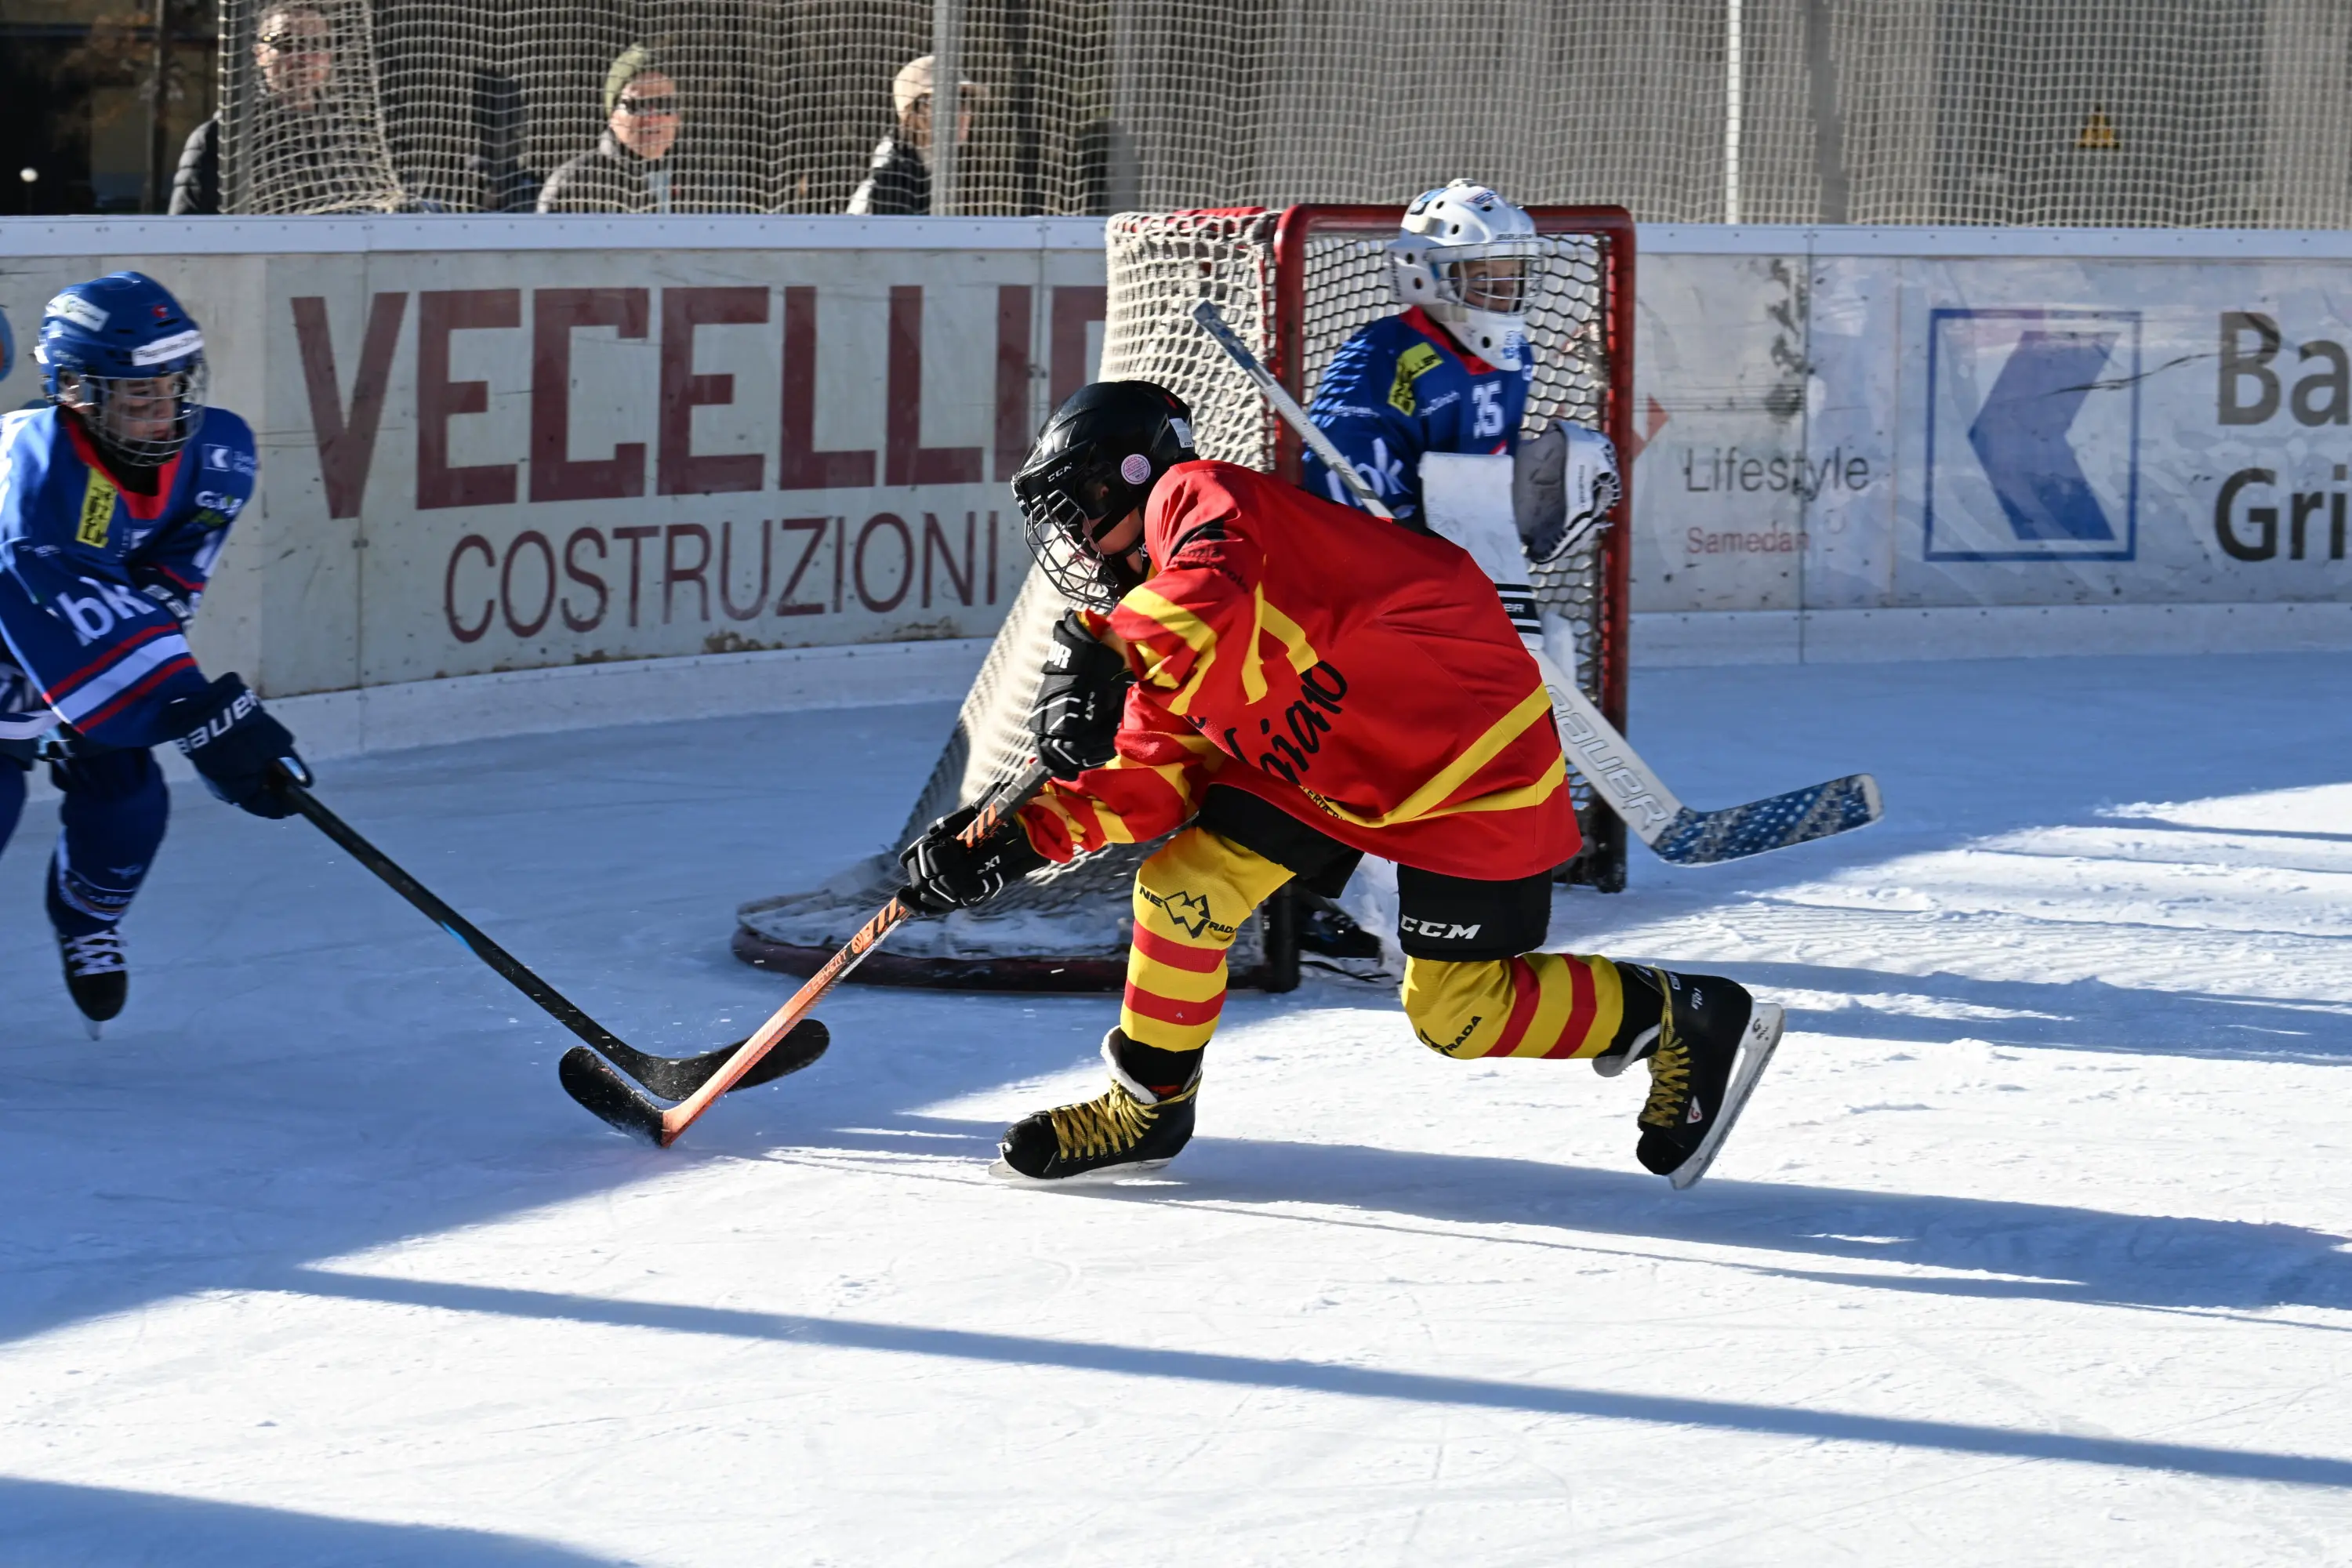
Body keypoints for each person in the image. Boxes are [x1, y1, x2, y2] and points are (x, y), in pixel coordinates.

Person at [898, 381, 1781, 1185]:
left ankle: (1684, 1013)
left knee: (1457, 1015)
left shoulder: (1207, 501)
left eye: (1080, 504)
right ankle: (1148, 1107)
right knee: (1182, 886)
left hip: (1468, 768)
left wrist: (1113, 647)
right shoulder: (1155, 618)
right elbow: (1148, 779)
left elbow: (1213, 577)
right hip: (1327, 770)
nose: (1074, 536)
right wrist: (1011, 838)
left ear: (1131, 474)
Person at [1296, 180, 1626, 968]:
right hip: (1377, 585)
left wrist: (1542, 492)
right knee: (1412, 723)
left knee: (1551, 649)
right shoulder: (1388, 353)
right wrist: (1393, 547)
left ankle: (1491, 862)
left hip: (1455, 571)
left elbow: (1481, 476)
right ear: (1425, 273)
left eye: (1513, 273)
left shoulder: (1512, 354)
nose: (1504, 291)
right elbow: (1335, 472)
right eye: (1485, 276)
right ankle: (1342, 909)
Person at [0, 274, 308, 1035]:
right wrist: (194, 709)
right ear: (73, 388)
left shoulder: (219, 455)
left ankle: (83, 921)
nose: (161, 409)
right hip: (18, 645)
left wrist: (204, 715)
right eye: (135, 395)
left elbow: (169, 580)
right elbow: (47, 587)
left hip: (89, 645)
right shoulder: (34, 467)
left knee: (131, 807)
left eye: (171, 387)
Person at [170, 2, 335, 215]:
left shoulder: (354, 137)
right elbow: (187, 231)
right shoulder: (221, 137)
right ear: (260, 53)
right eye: (285, 43)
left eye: (316, 44)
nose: (303, 58)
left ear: (329, 56)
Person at [537, 45, 684, 214]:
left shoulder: (701, 181)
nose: (653, 116)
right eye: (639, 105)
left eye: (664, 104)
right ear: (613, 115)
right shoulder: (575, 184)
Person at [847, 54, 982, 216]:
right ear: (913, 112)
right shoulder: (889, 183)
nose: (963, 112)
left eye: (966, 99)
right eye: (947, 102)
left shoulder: (938, 171)